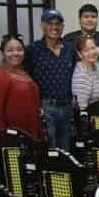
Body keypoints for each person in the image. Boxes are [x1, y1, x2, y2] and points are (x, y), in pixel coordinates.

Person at [25, 9, 75, 149]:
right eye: (50, 23)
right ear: (42, 26)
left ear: (62, 26)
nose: (54, 27)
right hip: (46, 107)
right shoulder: (33, 50)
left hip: (68, 106)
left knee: (66, 150)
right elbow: (27, 79)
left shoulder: (70, 49)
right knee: (49, 149)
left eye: (58, 24)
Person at [0, 35, 43, 139]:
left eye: (19, 50)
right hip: (12, 137)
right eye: (10, 50)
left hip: (31, 133)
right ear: (3, 53)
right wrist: (5, 136)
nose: (15, 53)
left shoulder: (25, 73)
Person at [71, 36, 99, 111]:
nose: (91, 52)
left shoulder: (96, 64)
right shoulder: (81, 75)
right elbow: (81, 109)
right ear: (79, 54)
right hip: (91, 118)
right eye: (86, 50)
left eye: (93, 48)